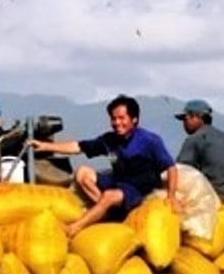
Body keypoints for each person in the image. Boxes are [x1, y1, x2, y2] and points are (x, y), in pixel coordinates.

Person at [30, 94, 179, 238]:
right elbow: (78, 147)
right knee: (82, 173)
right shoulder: (110, 139)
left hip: (139, 189)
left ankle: (74, 228)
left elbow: (171, 167)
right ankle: (105, 212)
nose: (117, 123)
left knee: (109, 196)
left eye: (121, 118)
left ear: (134, 119)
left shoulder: (150, 140)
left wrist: (171, 196)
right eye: (113, 118)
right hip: (118, 181)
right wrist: (45, 146)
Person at [174, 99, 224, 199]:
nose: (184, 123)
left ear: (197, 117)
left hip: (215, 195)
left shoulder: (194, 139)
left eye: (185, 118)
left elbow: (180, 173)